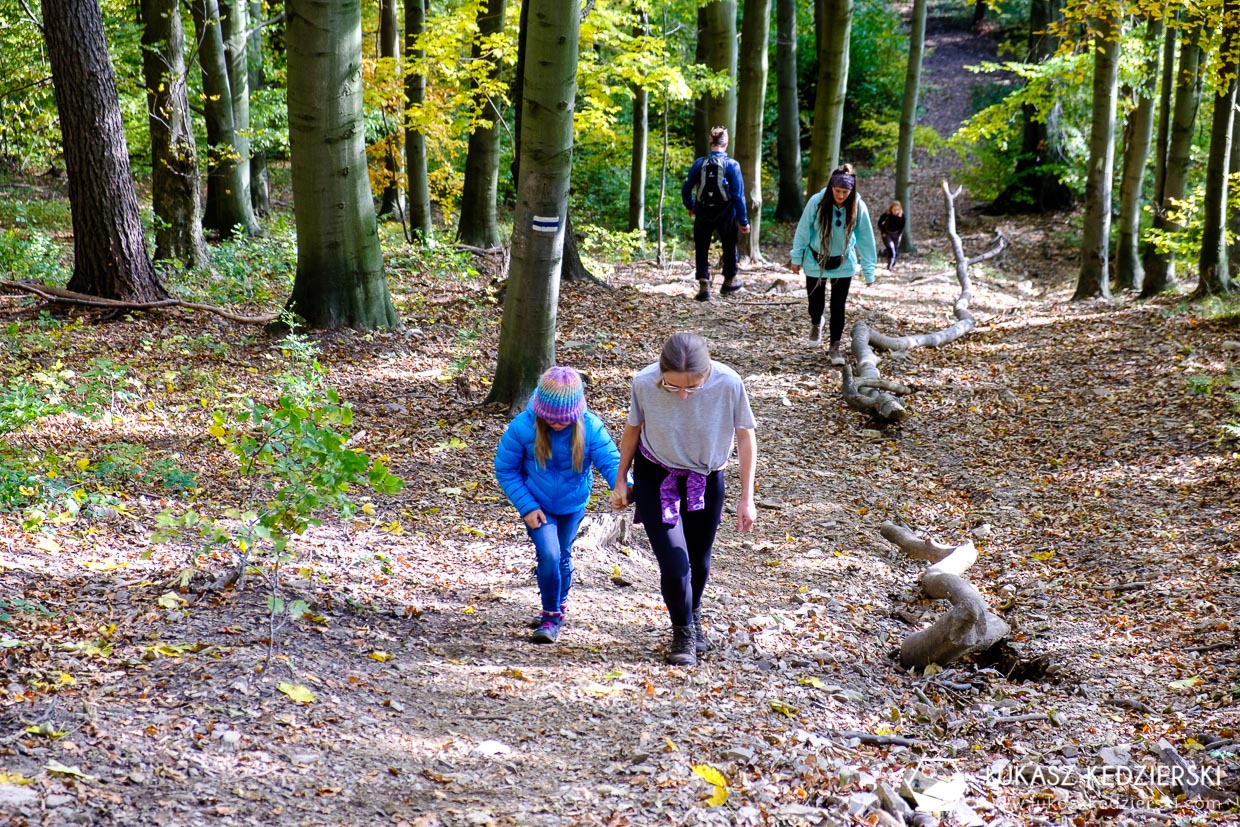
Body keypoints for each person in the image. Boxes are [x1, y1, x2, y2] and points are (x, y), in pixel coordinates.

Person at [610, 333, 757, 667]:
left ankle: (693, 612)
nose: (683, 395)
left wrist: (747, 497)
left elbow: (746, 438)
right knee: (675, 562)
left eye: (692, 388)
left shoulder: (729, 384)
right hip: (656, 475)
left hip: (706, 478)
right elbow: (633, 430)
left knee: (699, 561)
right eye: (673, 387)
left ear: (707, 374)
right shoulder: (645, 383)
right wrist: (621, 478)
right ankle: (683, 633)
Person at [495, 367, 622, 644]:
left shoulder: (590, 427)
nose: (557, 425)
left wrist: (623, 487)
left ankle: (559, 605)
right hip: (538, 504)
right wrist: (527, 507)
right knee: (549, 554)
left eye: (563, 421)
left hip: (572, 505)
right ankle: (550, 615)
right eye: (550, 420)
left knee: (563, 555)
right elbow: (505, 469)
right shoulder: (523, 427)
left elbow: (611, 461)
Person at [789, 163, 878, 366]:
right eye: (837, 191)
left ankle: (835, 346)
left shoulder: (857, 206)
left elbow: (865, 238)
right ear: (831, 188)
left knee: (838, 306)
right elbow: (803, 230)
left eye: (845, 192)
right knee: (815, 304)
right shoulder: (817, 202)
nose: (840, 195)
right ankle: (816, 321)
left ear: (851, 190)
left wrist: (869, 270)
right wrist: (796, 258)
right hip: (815, 260)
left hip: (843, 263)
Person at [681, 126, 750, 302]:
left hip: (703, 210)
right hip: (726, 212)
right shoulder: (732, 165)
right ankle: (729, 280)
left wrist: (690, 206)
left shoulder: (699, 163)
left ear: (711, 143)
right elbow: (738, 195)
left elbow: (686, 187)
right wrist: (743, 221)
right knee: (729, 243)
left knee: (702, 246)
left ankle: (704, 285)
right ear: (725, 144)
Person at [878, 201, 905, 271]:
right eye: (894, 209)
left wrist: (899, 234)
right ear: (891, 209)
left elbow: (902, 226)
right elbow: (879, 223)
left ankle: (892, 265)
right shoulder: (886, 215)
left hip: (897, 234)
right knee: (891, 248)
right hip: (887, 234)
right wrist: (882, 231)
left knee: (895, 250)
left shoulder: (902, 216)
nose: (895, 211)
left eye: (897, 210)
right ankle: (889, 267)